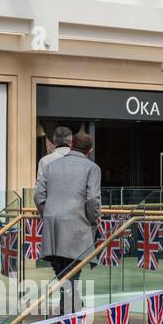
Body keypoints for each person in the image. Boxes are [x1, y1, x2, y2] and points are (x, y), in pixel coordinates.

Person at [35, 131, 100, 314]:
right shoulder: (92, 168)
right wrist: (92, 219)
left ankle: (69, 305)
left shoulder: (51, 166)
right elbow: (93, 199)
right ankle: (69, 313)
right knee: (72, 270)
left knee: (62, 270)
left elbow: (38, 195)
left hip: (52, 224)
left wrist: (47, 213)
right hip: (76, 223)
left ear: (71, 146)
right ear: (90, 150)